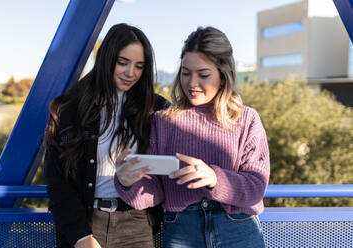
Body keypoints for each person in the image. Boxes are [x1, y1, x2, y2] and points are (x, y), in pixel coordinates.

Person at [114, 26, 270, 248]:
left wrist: (215, 178)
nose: (192, 83)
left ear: (223, 76)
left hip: (237, 228)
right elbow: (154, 193)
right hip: (181, 230)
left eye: (203, 75)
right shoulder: (162, 121)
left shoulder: (247, 119)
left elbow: (256, 187)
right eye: (186, 73)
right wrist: (127, 182)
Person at [44, 23, 169, 248]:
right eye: (123, 63)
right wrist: (80, 236)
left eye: (139, 66)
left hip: (137, 224)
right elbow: (57, 180)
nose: (131, 73)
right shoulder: (71, 108)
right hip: (87, 222)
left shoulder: (157, 109)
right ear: (106, 59)